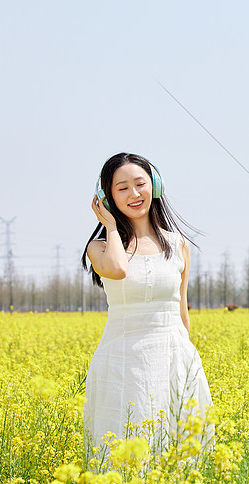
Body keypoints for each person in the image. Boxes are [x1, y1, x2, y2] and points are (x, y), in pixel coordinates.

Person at [81, 152, 213, 461]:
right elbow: (117, 269)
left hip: (173, 356)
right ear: (106, 197)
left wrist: (187, 363)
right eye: (121, 188)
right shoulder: (99, 247)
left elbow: (182, 309)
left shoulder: (177, 244)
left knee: (180, 450)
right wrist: (111, 227)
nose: (134, 194)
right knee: (124, 451)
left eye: (140, 184)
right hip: (123, 360)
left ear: (154, 187)